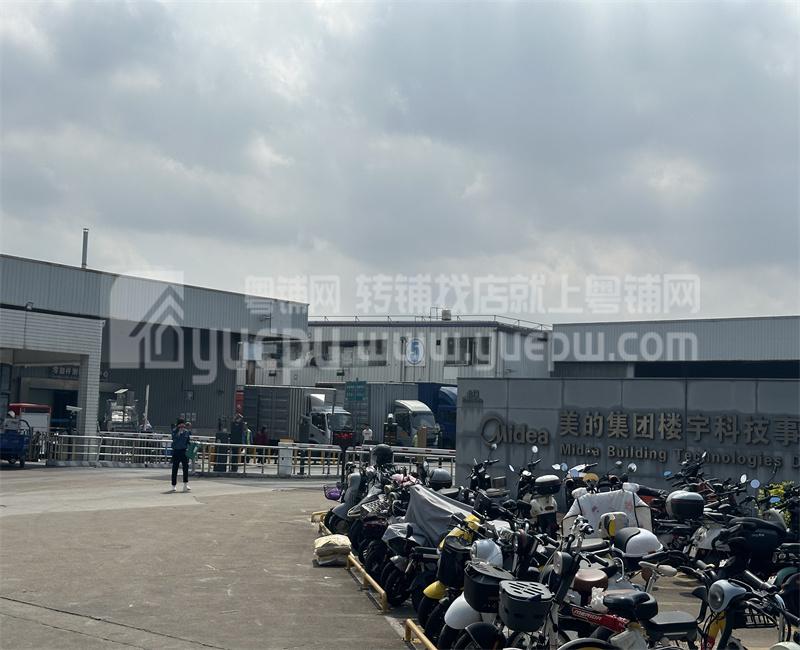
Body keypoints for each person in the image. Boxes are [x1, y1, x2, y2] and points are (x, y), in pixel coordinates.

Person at [170, 418, 191, 492]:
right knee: (175, 468)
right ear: (178, 425)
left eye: (183, 424)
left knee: (185, 468)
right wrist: (178, 433)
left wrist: (192, 445)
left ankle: (185, 484)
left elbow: (188, 441)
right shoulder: (174, 431)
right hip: (176, 451)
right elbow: (174, 439)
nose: (182, 426)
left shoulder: (186, 432)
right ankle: (173, 485)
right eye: (180, 424)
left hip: (184, 451)